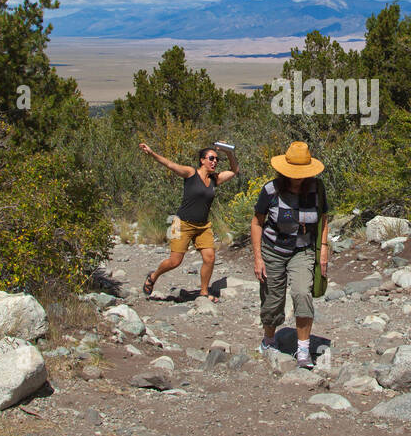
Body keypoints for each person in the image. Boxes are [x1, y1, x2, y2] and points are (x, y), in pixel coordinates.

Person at [251, 141, 328, 369]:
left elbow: (324, 218)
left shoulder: (317, 189)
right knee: (272, 300)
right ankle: (269, 340)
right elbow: (257, 222)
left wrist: (323, 249)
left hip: (302, 251)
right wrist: (257, 257)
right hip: (272, 251)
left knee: (302, 293)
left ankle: (303, 351)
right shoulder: (270, 190)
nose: (297, 177)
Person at [140, 142, 238, 302]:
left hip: (203, 226)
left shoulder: (215, 179)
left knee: (209, 258)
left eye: (216, 160)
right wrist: (151, 153)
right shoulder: (191, 173)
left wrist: (229, 152)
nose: (214, 162)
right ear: (202, 160)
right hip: (183, 224)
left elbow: (234, 170)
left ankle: (204, 292)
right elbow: (170, 164)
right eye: (211, 158)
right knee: (175, 261)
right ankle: (153, 276)